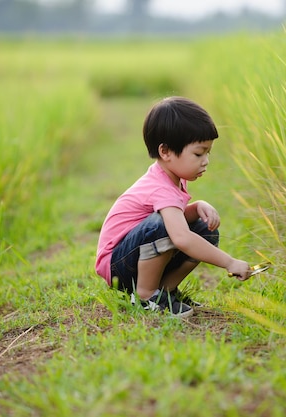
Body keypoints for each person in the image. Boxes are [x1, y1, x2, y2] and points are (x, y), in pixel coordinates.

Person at [95, 96, 252, 318]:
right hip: (117, 265)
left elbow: (177, 221)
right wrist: (229, 262)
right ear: (165, 152)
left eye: (208, 153)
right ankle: (146, 295)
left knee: (204, 229)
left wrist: (197, 206)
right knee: (164, 227)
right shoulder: (161, 188)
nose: (206, 160)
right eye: (198, 153)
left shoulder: (171, 177)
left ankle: (165, 291)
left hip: (134, 257)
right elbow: (181, 237)